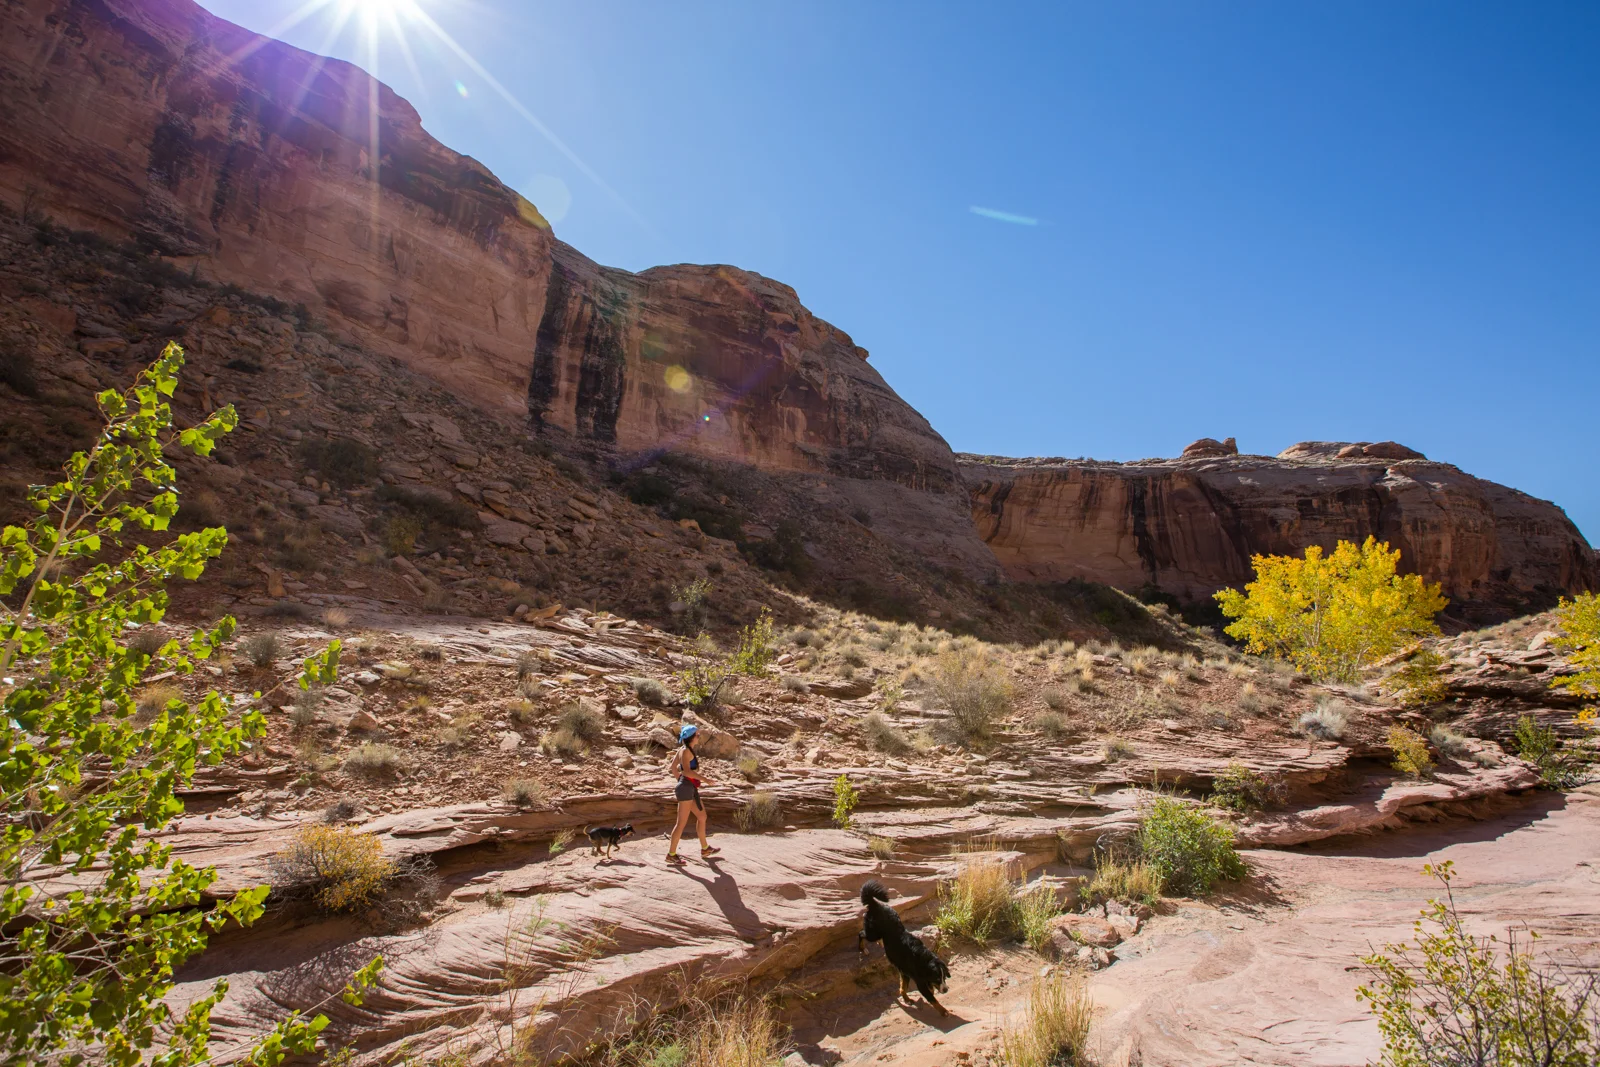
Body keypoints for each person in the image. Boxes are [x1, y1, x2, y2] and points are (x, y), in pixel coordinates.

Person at [665, 723, 719, 865]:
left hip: (688, 788)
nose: (699, 737)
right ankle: (671, 855)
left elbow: (673, 768)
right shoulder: (686, 752)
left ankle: (705, 848)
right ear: (691, 737)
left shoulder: (683, 749)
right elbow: (686, 771)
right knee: (681, 823)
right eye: (697, 735)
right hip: (686, 789)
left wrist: (681, 781)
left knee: (702, 816)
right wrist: (704, 779)